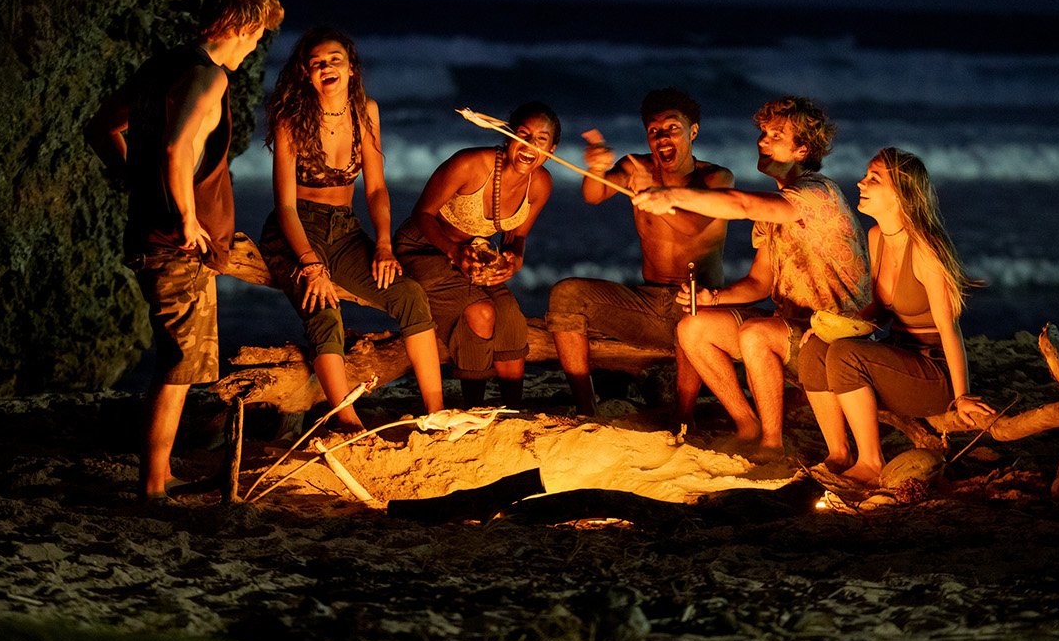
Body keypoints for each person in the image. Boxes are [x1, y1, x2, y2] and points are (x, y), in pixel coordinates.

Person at [85, 0, 284, 500]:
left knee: (180, 360)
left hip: (157, 234)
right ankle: (154, 483)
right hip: (179, 244)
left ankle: (158, 474)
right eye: (257, 34)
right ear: (241, 25)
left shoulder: (162, 67)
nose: (257, 45)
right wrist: (186, 216)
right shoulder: (207, 77)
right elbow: (176, 151)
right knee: (178, 366)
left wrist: (139, 184)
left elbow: (102, 127)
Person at [633, 95, 869, 461]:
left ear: (802, 148)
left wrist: (672, 196)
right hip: (791, 328)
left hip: (834, 333)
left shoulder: (817, 193)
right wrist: (712, 299)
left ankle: (772, 445)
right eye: (763, 132)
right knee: (693, 327)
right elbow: (759, 283)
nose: (762, 141)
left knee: (756, 333)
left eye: (776, 135)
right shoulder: (776, 207)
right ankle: (748, 425)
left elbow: (741, 205)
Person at [259, 26, 446, 430]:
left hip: (345, 230)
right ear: (306, 74)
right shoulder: (291, 118)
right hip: (295, 230)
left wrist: (383, 244)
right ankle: (346, 420)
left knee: (410, 294)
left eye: (334, 60)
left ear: (351, 70)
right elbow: (285, 205)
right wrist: (310, 264)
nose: (326, 67)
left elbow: (376, 187)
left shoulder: (367, 112)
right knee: (324, 311)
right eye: (316, 63)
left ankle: (437, 413)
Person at [798, 147, 993, 487]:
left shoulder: (926, 251)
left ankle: (871, 463)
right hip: (899, 357)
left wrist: (961, 396)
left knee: (845, 355)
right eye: (866, 175)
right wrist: (829, 326)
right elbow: (876, 309)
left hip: (932, 373)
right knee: (816, 349)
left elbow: (951, 330)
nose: (861, 182)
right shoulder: (877, 238)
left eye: (874, 179)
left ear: (902, 195)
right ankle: (838, 454)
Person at [545, 87, 735, 417]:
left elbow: (694, 227)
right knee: (566, 295)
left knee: (694, 318)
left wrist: (654, 192)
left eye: (673, 129)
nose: (662, 138)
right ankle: (587, 408)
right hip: (647, 302)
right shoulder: (636, 168)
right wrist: (597, 167)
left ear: (693, 132)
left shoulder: (716, 177)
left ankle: (684, 417)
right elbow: (594, 195)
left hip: (698, 301)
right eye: (654, 131)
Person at [395, 102, 559, 407]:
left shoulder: (541, 184)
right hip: (423, 249)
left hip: (473, 256)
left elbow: (517, 236)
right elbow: (423, 214)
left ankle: (512, 411)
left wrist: (515, 260)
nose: (529, 144)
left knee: (510, 316)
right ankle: (474, 407)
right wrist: (453, 251)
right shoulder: (470, 164)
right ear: (507, 134)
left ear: (552, 147)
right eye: (523, 134)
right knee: (481, 312)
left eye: (541, 139)